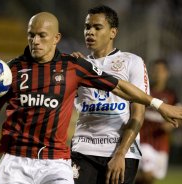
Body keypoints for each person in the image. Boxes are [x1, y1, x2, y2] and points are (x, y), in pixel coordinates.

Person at [0, 12, 182, 184]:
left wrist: (158, 104)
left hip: (56, 162)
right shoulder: (11, 70)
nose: (35, 41)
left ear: (56, 38)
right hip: (15, 160)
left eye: (41, 35)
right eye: (31, 35)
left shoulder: (74, 66)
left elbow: (119, 87)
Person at [70, 5, 147, 184]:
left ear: (113, 32)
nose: (90, 32)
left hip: (120, 153)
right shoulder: (77, 65)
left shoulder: (132, 62)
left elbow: (138, 113)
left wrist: (121, 154)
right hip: (83, 150)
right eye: (87, 27)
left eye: (97, 28)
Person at [135, 59, 179, 184]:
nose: (158, 73)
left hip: (161, 143)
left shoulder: (172, 95)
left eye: (161, 71)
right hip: (144, 139)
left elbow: (179, 112)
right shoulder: (146, 91)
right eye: (155, 70)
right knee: (147, 174)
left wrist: (171, 124)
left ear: (167, 73)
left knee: (151, 178)